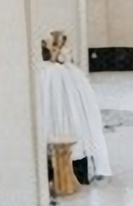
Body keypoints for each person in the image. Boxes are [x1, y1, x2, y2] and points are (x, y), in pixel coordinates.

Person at [39, 30, 112, 181]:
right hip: (59, 82)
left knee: (71, 116)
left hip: (66, 85)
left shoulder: (64, 72)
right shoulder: (51, 72)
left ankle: (74, 161)